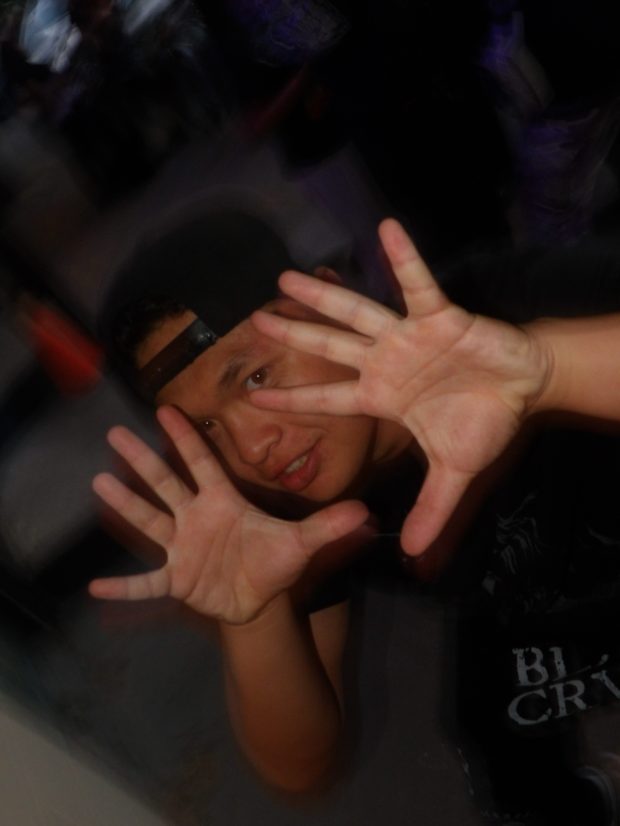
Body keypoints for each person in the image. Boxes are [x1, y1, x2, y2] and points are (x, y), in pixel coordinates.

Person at [93, 208, 620, 821]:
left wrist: (551, 368)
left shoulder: (496, 313)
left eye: (257, 375)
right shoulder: (292, 507)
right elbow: (301, 763)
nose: (251, 447)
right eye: (207, 428)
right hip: (533, 613)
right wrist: (253, 619)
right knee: (499, 744)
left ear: (330, 301)